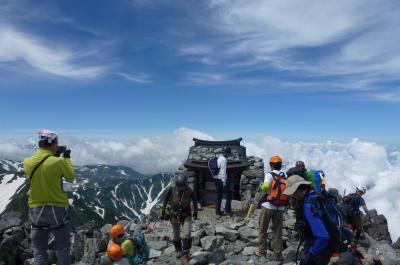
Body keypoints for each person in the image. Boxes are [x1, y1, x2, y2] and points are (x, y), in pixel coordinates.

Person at [23, 129, 75, 265]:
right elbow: (70, 177)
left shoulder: (27, 162)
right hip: (57, 210)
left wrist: (54, 155)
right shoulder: (58, 162)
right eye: (57, 143)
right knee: (63, 247)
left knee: (39, 250)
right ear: (52, 143)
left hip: (36, 211)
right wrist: (66, 157)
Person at [283, 175, 334, 265]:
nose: (292, 196)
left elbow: (323, 237)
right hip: (330, 246)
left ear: (298, 189)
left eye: (293, 193)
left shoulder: (309, 205)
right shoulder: (316, 195)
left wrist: (310, 255)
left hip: (320, 250)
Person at [255, 155, 288, 263]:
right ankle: (278, 255)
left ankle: (262, 252)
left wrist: (261, 188)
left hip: (268, 206)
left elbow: (265, 187)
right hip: (280, 208)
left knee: (263, 230)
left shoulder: (269, 175)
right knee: (277, 232)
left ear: (271, 165)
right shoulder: (284, 177)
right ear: (280, 166)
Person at [161, 174, 198, 265]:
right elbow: (166, 199)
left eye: (182, 187)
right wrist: (163, 210)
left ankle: (185, 254)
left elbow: (194, 200)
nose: (180, 188)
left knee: (186, 233)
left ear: (185, 185)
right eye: (179, 186)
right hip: (174, 214)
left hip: (186, 214)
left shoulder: (190, 191)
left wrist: (195, 211)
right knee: (176, 235)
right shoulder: (172, 189)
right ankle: (178, 250)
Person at [213, 147, 233, 216]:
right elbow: (223, 171)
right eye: (228, 153)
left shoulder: (218, 158)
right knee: (229, 194)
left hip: (216, 179)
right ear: (226, 153)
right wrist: (224, 182)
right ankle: (227, 211)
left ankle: (217, 211)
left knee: (219, 195)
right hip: (221, 179)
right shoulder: (224, 160)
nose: (228, 155)